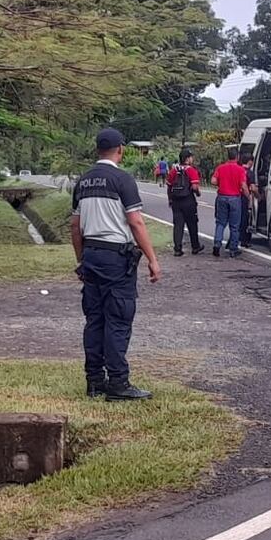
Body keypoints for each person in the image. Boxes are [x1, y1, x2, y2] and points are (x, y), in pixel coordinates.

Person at [70, 128, 161, 401]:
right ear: (120, 149)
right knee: (118, 319)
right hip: (116, 259)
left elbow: (75, 227)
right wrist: (152, 259)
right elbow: (136, 222)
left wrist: (81, 260)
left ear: (97, 149)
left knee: (94, 319)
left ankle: (94, 381)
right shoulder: (122, 179)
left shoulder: (83, 181)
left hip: (91, 255)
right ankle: (118, 382)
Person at [211, 147, 249, 258]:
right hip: (235, 198)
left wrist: (221, 183)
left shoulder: (220, 168)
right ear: (237, 157)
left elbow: (213, 181)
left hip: (222, 196)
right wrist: (248, 197)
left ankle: (217, 244)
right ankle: (233, 248)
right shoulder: (240, 170)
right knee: (235, 225)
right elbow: (243, 186)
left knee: (220, 223)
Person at [167, 149, 204, 257]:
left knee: (178, 225)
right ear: (187, 159)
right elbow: (194, 186)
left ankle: (177, 249)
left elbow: (169, 186)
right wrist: (198, 193)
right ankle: (195, 246)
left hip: (176, 201)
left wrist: (170, 199)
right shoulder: (191, 170)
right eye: (191, 157)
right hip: (188, 200)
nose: (192, 159)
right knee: (192, 224)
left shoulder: (174, 170)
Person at [240, 155, 258, 248]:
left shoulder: (238, 170)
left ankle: (235, 239)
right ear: (250, 162)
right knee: (245, 219)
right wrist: (258, 196)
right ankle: (244, 240)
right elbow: (253, 188)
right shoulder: (250, 173)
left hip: (235, 196)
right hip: (244, 197)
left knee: (236, 219)